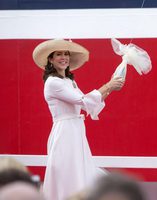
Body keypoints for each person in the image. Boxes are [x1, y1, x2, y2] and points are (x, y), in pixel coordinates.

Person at [32, 39, 124, 200]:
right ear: (50, 59)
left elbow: (86, 103)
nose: (63, 57)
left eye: (66, 54)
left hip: (75, 130)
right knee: (68, 173)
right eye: (58, 54)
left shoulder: (69, 81)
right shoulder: (53, 83)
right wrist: (109, 85)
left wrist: (110, 88)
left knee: (78, 171)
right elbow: (83, 100)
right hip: (65, 132)